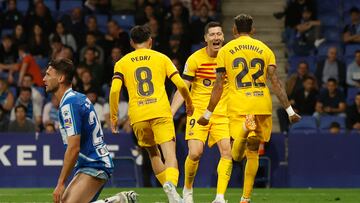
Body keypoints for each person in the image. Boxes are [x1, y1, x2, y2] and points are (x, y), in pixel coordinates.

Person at [197, 14, 301, 203]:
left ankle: (245, 128)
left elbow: (218, 85)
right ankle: (245, 198)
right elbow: (276, 82)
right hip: (261, 104)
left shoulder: (225, 51)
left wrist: (207, 113)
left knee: (236, 155)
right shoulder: (265, 49)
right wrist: (290, 111)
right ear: (253, 30)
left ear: (234, 30)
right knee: (253, 152)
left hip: (239, 105)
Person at [109, 25, 194, 203]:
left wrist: (114, 117)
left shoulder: (122, 63)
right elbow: (180, 83)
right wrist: (189, 103)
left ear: (132, 42)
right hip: (160, 111)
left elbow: (115, 91)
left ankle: (171, 193)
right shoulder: (161, 58)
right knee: (170, 154)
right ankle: (170, 184)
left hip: (138, 115)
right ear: (150, 41)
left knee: (153, 153)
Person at [42, 59, 136, 203]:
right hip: (93, 163)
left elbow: (73, 147)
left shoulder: (69, 104)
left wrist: (61, 183)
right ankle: (118, 200)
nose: (44, 79)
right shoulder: (78, 97)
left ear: (61, 78)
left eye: (48, 75)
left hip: (94, 164)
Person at [170, 21, 232, 203]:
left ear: (223, 37)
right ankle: (188, 190)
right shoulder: (195, 59)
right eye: (212, 34)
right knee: (195, 153)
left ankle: (220, 197)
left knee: (227, 152)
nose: (216, 37)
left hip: (222, 113)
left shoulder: (229, 58)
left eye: (219, 34)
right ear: (205, 38)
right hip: (198, 113)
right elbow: (184, 88)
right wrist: (172, 111)